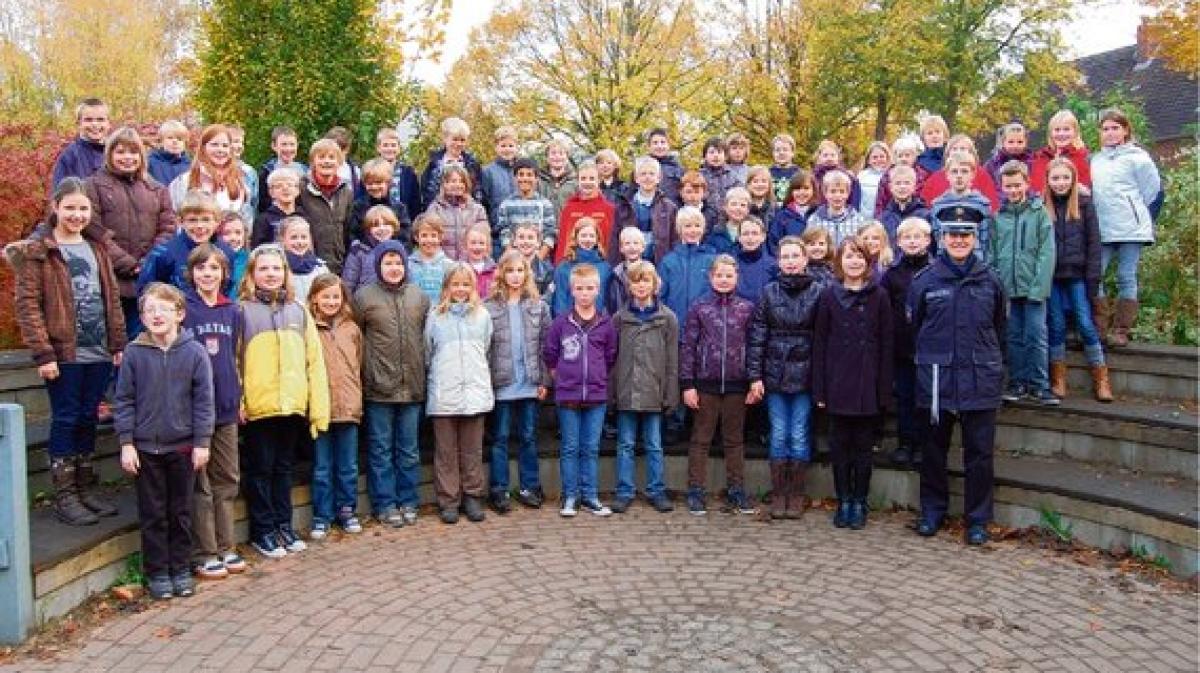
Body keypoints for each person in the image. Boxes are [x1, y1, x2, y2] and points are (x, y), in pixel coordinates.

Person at [14, 178, 126, 526]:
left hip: (99, 350)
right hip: (64, 353)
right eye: (70, 208)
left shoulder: (98, 247)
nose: (77, 215)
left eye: (83, 209)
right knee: (66, 417)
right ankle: (65, 495)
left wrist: (118, 343)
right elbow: (28, 305)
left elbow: (112, 298)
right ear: (56, 208)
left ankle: (84, 487)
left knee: (89, 416)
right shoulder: (39, 250)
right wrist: (43, 354)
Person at [909, 216, 1006, 545]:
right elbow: (914, 327)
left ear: (974, 238)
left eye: (966, 235)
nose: (959, 240)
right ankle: (932, 511)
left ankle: (977, 519)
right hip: (938, 378)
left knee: (980, 454)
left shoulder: (991, 280)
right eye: (953, 234)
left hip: (980, 378)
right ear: (942, 238)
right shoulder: (925, 280)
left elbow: (999, 328)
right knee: (933, 451)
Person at [115, 282, 213, 600]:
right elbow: (124, 400)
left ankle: (180, 568)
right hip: (146, 449)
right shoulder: (134, 353)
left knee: (181, 511)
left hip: (182, 447)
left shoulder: (194, 352)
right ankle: (157, 572)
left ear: (179, 314)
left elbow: (203, 402)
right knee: (153, 513)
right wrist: (126, 443)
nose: (157, 315)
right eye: (150, 310)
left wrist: (202, 442)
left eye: (164, 309)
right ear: (142, 317)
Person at [237, 245, 330, 558]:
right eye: (263, 269)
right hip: (259, 406)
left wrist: (316, 406)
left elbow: (314, 360)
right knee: (261, 469)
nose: (270, 274)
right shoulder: (242, 311)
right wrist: (239, 400)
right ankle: (262, 530)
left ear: (285, 273)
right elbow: (234, 361)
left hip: (291, 403)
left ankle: (283, 525)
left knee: (283, 468)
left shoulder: (298, 310)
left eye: (276, 268)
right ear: (252, 274)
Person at [813, 238, 893, 530]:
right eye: (849, 256)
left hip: (867, 382)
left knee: (862, 448)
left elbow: (886, 344)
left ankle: (859, 500)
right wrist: (820, 388)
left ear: (868, 262)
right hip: (837, 381)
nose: (854, 262)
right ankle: (843, 499)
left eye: (860, 256)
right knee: (839, 447)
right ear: (839, 262)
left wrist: (883, 389)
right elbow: (820, 343)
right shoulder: (829, 296)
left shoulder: (879, 296)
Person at [355, 240, 430, 528]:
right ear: (378, 266)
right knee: (381, 450)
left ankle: (408, 500)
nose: (394, 268)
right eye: (388, 263)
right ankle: (385, 504)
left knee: (409, 450)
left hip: (412, 386)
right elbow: (357, 339)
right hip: (379, 387)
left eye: (398, 262)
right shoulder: (364, 297)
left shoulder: (418, 297)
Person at [747, 236, 822, 520]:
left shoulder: (819, 291)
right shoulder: (768, 292)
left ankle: (796, 494)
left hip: (806, 371)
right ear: (779, 261)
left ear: (805, 259)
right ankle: (779, 493)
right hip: (775, 371)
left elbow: (824, 337)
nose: (791, 262)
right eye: (785, 256)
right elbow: (757, 336)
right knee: (779, 432)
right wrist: (755, 375)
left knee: (799, 432)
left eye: (795, 256)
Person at [181, 245, 244, 580]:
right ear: (192, 273)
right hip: (193, 412)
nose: (208, 274)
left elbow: (236, 357)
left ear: (224, 273)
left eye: (214, 268)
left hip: (226, 408)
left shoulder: (232, 310)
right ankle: (204, 552)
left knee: (227, 479)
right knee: (200, 485)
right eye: (201, 268)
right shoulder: (184, 310)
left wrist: (240, 398)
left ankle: (226, 545)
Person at [680, 255, 756, 516]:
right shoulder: (699, 307)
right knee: (701, 438)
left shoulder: (747, 308)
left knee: (734, 439)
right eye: (719, 275)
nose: (724, 280)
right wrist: (688, 384)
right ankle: (696, 490)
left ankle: (737, 489)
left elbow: (754, 346)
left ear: (737, 278)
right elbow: (688, 346)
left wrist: (753, 380)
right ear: (711, 277)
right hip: (705, 384)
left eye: (729, 275)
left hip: (737, 384)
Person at [84, 126, 176, 336]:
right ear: (110, 154)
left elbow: (168, 228)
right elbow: (93, 230)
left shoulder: (157, 189)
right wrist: (128, 264)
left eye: (133, 152)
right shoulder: (93, 186)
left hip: (147, 282)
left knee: (143, 341)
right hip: (109, 280)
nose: (127, 157)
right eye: (121, 152)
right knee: (111, 342)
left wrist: (147, 262)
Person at [543, 263, 618, 518]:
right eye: (580, 288)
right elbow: (550, 353)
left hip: (596, 396)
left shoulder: (606, 324)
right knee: (570, 447)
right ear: (572, 290)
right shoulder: (561, 323)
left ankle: (590, 496)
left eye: (589, 288)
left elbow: (610, 356)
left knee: (591, 448)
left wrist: (597, 376)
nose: (585, 293)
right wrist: (562, 375)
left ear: (597, 290)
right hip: (568, 395)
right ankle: (570, 496)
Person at [426, 264, 495, 524]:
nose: (460, 289)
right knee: (446, 452)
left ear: (473, 287)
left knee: (472, 450)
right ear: (446, 287)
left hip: (474, 392)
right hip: (444, 393)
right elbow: (427, 352)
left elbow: (486, 348)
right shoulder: (435, 317)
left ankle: (472, 496)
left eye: (466, 284)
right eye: (455, 284)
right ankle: (449, 500)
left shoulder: (482, 316)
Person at [484, 250, 552, 512]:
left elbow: (546, 346)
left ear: (527, 274)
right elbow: (485, 348)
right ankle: (499, 490)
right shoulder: (488, 307)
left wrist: (544, 380)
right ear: (501, 273)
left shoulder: (538, 306)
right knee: (500, 438)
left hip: (530, 383)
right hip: (502, 383)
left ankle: (529, 486)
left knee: (528, 436)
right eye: (510, 270)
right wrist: (488, 383)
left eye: (520, 270)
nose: (515, 276)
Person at [1090, 107, 1162, 348]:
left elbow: (1152, 191)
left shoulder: (1138, 158)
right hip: (1103, 227)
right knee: (1095, 275)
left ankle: (1121, 330)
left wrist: (1141, 217)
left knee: (1126, 276)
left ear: (1125, 130)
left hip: (1132, 229)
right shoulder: (1096, 160)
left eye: (1115, 128)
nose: (1110, 133)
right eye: (1105, 129)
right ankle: (1099, 328)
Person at [611, 261, 679, 514]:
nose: (641, 286)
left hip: (654, 390)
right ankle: (624, 491)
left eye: (646, 281)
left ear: (655, 284)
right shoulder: (620, 319)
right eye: (636, 281)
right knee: (625, 444)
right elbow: (612, 359)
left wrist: (670, 392)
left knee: (654, 444)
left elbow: (672, 360)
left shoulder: (667, 318)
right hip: (626, 390)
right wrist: (612, 392)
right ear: (629, 286)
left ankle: (656, 490)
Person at [1044, 158, 1112, 402]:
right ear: (1048, 181)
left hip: (1078, 275)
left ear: (1073, 179)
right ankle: (1058, 376)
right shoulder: (1042, 207)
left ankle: (1101, 377)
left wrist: (1093, 278)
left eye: (1065, 178)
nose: (1060, 183)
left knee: (1085, 322)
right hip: (1052, 277)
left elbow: (1094, 244)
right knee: (1057, 325)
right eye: (1055, 178)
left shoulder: (1084, 204)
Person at [992, 160, 1057, 405]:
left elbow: (1047, 253)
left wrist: (1038, 288)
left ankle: (1040, 384)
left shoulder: (1039, 213)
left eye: (1017, 185)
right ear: (1002, 187)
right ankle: (1017, 383)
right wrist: (999, 287)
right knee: (1013, 337)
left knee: (1036, 335)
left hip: (1033, 288)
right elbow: (993, 253)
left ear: (1027, 184)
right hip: (1008, 289)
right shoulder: (998, 217)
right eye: (1008, 186)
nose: (1013, 190)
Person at [307, 273, 364, 539]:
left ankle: (346, 510)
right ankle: (322, 515)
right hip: (321, 408)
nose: (331, 302)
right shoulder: (308, 328)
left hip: (349, 407)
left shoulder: (351, 329)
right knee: (322, 466)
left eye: (335, 297)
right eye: (325, 297)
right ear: (314, 299)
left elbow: (358, 363)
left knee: (348, 466)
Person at [880, 217, 933, 467]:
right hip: (901, 347)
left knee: (925, 399)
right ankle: (905, 443)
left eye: (917, 237)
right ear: (898, 242)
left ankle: (924, 445)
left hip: (929, 348)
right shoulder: (892, 275)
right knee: (904, 398)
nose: (912, 242)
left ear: (927, 240)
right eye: (907, 237)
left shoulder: (936, 271)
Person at [137, 191, 235, 295]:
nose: (199, 226)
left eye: (206, 220)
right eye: (192, 220)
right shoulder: (164, 253)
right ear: (180, 222)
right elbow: (146, 290)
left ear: (217, 222)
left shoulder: (226, 252)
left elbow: (228, 290)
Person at [168, 124, 252, 222]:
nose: (220, 150)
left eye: (225, 146)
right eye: (214, 144)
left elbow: (246, 221)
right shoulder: (183, 181)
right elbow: (174, 220)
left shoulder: (239, 182)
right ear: (203, 148)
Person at [297, 139, 355, 274]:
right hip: (310, 263)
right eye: (321, 157)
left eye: (331, 157)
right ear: (313, 162)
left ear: (339, 162)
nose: (326, 161)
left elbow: (348, 229)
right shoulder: (301, 189)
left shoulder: (346, 191)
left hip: (339, 262)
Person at [611, 156, 678, 265]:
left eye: (651, 174)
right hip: (631, 264)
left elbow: (675, 240)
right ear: (636, 178)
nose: (647, 177)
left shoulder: (669, 208)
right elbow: (615, 240)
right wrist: (616, 266)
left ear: (658, 178)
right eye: (643, 174)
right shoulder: (624, 206)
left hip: (660, 264)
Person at [928, 151, 993, 260]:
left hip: (974, 264)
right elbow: (937, 240)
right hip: (945, 264)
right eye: (954, 171)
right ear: (947, 174)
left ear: (973, 174)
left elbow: (985, 242)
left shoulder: (982, 205)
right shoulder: (938, 206)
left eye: (964, 171)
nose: (959, 176)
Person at [920, 135, 1000, 213]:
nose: (958, 152)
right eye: (954, 149)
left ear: (971, 153)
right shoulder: (935, 178)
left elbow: (992, 205)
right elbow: (925, 205)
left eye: (963, 149)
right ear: (948, 153)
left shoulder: (982, 175)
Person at [554, 161, 615, 263]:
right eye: (583, 178)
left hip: (600, 264)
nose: (587, 182)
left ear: (599, 180)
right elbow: (563, 242)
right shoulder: (569, 209)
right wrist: (559, 265)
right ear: (577, 181)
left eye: (592, 178)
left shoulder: (608, 209)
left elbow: (611, 244)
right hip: (573, 264)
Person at [425, 165, 489, 261]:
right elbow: (430, 239)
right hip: (442, 263)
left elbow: (485, 240)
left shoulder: (477, 210)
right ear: (444, 184)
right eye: (453, 181)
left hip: (470, 263)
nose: (458, 184)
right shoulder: (435, 209)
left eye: (461, 181)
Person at [550, 217, 611, 317]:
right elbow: (560, 300)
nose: (588, 240)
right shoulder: (564, 267)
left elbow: (608, 300)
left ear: (597, 239)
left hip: (599, 321)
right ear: (576, 238)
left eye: (591, 236)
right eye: (583, 235)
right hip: (570, 321)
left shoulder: (606, 268)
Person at [497, 157, 558, 256]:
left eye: (529, 175)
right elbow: (504, 232)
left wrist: (539, 257)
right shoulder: (506, 204)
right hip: (514, 257)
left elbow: (550, 233)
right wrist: (512, 255)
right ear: (515, 178)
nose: (525, 178)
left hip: (538, 256)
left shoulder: (545, 204)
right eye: (521, 174)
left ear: (536, 179)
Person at [421, 117, 484, 210]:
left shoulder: (473, 165)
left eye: (462, 140)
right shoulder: (433, 165)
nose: (458, 144)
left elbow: (478, 193)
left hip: (466, 213)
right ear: (445, 139)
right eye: (455, 139)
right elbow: (426, 194)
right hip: (438, 213)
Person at [353, 158, 411, 249]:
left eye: (378, 182)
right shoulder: (358, 207)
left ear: (389, 183)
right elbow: (354, 236)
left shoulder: (399, 208)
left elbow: (405, 239)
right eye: (370, 183)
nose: (374, 187)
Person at [52, 98, 111, 186]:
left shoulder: (116, 153)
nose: (95, 124)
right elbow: (59, 191)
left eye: (100, 119)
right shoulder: (69, 156)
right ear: (78, 124)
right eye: (88, 120)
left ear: (108, 123)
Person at [1031, 109, 1092, 194]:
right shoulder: (1040, 157)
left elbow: (1087, 191)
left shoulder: (1084, 157)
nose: (1061, 134)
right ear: (1050, 133)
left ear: (1075, 132)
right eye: (1057, 130)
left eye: (1066, 129)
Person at [343, 205, 400, 294]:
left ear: (393, 227)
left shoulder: (399, 250)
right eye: (376, 225)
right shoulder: (359, 251)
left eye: (386, 224)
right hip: (364, 300)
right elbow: (348, 284)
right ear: (369, 229)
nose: (382, 228)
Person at [480, 126, 519, 253]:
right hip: (497, 235)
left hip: (521, 235)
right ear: (496, 147)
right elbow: (483, 203)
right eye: (503, 146)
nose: (507, 149)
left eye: (511, 145)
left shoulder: (522, 171)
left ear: (516, 147)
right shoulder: (487, 172)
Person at [805, 170, 867, 249]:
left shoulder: (858, 220)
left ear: (848, 194)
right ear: (825, 193)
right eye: (833, 191)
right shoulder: (814, 220)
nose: (837, 195)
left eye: (842, 191)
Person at [877, 164, 929, 255]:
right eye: (898, 183)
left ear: (914, 186)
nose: (902, 187)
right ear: (890, 187)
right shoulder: (883, 218)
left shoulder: (925, 215)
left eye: (907, 183)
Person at [375, 127, 422, 223]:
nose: (389, 149)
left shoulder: (408, 172)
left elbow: (415, 202)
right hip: (377, 221)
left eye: (393, 145)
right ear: (378, 148)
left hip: (403, 221)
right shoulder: (371, 170)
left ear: (399, 148)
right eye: (385, 145)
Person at [277, 216, 329, 302]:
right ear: (282, 240)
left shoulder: (320, 268)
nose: (300, 242)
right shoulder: (277, 268)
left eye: (304, 237)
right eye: (294, 237)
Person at [256, 126, 307, 213]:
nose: (288, 149)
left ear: (297, 145)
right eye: (284, 144)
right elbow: (262, 203)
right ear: (274, 146)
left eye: (292, 144)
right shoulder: (266, 172)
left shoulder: (304, 171)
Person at [407, 213, 455, 302]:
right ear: (416, 237)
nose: (429, 240)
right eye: (424, 235)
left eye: (433, 235)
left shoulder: (449, 266)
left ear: (440, 237)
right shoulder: (408, 265)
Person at [251, 165, 302, 248]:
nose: (285, 188)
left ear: (297, 190)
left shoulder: (305, 216)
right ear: (271, 192)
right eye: (279, 186)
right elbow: (258, 250)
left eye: (289, 185)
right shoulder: (263, 220)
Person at [768, 170, 817, 255]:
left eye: (806, 188)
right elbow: (773, 243)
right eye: (797, 189)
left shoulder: (819, 213)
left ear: (813, 190)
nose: (801, 193)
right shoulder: (782, 216)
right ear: (791, 191)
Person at [606, 227, 647, 314]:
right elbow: (611, 304)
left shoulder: (650, 272)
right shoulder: (616, 275)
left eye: (636, 243)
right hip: (622, 319)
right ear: (621, 248)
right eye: (627, 243)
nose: (632, 247)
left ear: (643, 247)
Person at [734, 217, 775, 304]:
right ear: (739, 237)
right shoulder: (731, 265)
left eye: (755, 233)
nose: (750, 238)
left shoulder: (773, 265)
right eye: (745, 233)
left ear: (763, 237)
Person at [812, 140, 862, 209]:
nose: (829, 158)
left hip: (842, 213)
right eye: (825, 155)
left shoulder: (848, 177)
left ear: (838, 157)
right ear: (819, 157)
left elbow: (854, 201)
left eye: (832, 155)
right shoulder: (813, 177)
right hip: (818, 213)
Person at [510, 221, 554, 296]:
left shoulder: (547, 271)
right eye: (521, 237)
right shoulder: (505, 267)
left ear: (538, 243)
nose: (525, 241)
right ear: (514, 242)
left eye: (530, 238)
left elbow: (547, 297)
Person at [983, 123, 1034, 188]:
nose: (1015, 146)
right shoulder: (992, 164)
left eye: (1020, 142)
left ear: (1026, 142)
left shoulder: (1033, 162)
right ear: (1003, 142)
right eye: (1011, 142)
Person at [705, 186, 752, 255]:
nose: (738, 208)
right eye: (734, 204)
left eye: (743, 205)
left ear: (748, 210)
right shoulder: (716, 232)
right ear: (725, 207)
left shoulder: (753, 233)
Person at [147, 119, 191, 188]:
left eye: (179, 139)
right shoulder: (150, 163)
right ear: (162, 141)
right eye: (170, 138)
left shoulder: (190, 165)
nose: (175, 141)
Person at [538, 139, 577, 216]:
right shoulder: (538, 181)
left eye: (561, 153)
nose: (557, 156)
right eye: (553, 153)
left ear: (567, 158)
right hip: (544, 223)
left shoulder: (576, 182)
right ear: (547, 157)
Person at [699, 137, 738, 213]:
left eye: (719, 152)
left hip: (728, 216)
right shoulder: (699, 176)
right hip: (705, 216)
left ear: (725, 156)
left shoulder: (733, 177)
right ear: (705, 156)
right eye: (712, 152)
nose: (716, 155)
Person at [646, 127, 685, 203]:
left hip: (673, 209)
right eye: (655, 143)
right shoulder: (641, 168)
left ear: (668, 145)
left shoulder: (679, 169)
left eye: (663, 142)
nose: (659, 146)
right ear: (649, 146)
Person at [227, 125, 259, 213]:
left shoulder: (250, 172)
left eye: (241, 142)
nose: (239, 146)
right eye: (235, 141)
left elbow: (254, 203)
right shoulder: (213, 171)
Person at [857, 141, 891, 216]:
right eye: (875, 157)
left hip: (885, 217)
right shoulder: (861, 176)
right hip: (864, 217)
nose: (878, 159)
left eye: (882, 156)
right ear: (868, 160)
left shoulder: (892, 175)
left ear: (887, 158)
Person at [217, 212, 249, 292]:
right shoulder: (210, 260)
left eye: (238, 233)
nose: (233, 238)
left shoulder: (251, 261)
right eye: (226, 233)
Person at [465, 223, 497, 296]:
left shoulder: (495, 271)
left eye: (481, 243)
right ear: (465, 245)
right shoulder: (461, 270)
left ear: (487, 246)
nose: (477, 247)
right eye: (473, 243)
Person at [768, 133, 799, 204]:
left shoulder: (800, 174)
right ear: (773, 153)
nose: (781, 153)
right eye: (777, 150)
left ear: (792, 153)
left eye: (785, 150)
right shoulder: (766, 174)